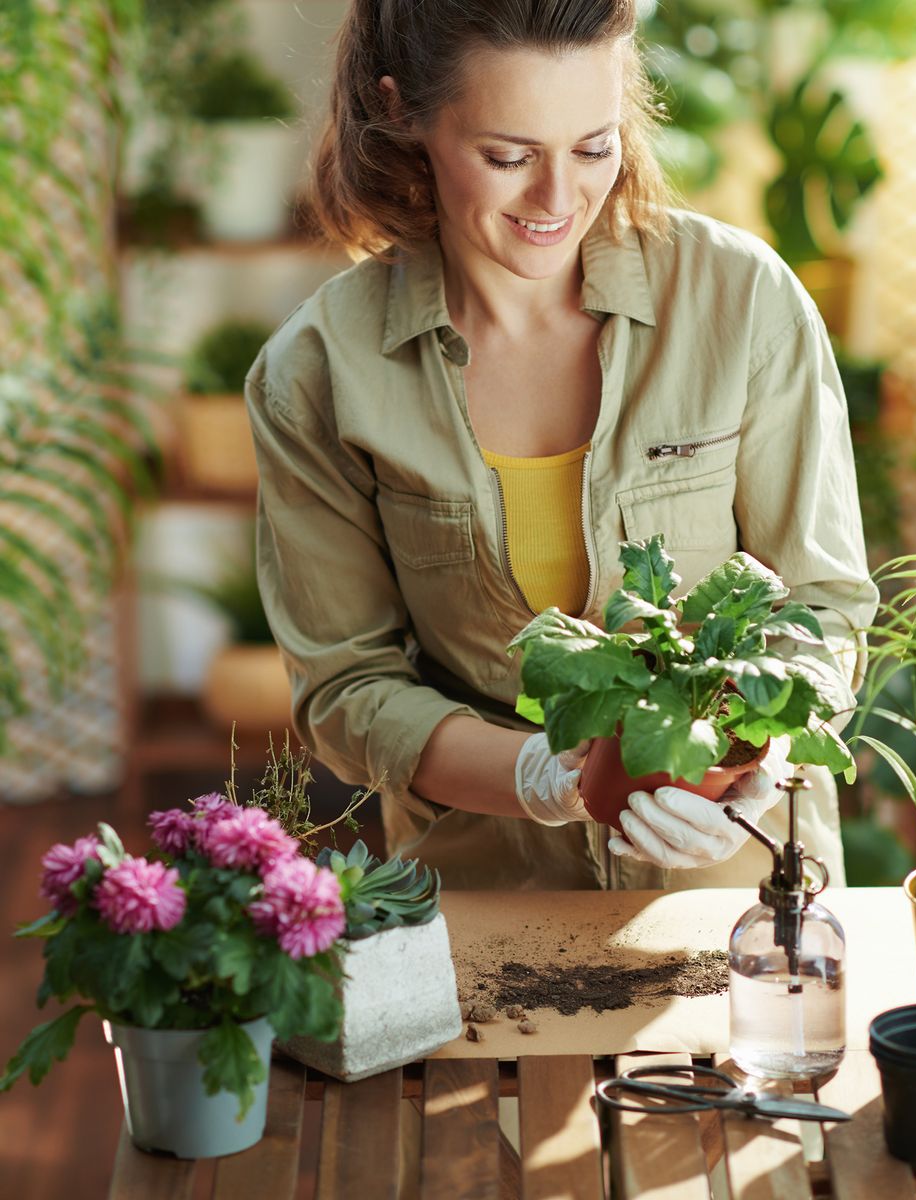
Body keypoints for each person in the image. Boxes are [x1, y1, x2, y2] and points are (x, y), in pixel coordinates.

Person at [246, 0, 878, 892]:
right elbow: (348, 691)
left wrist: (766, 743)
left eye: (594, 145)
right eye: (507, 157)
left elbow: (821, 599)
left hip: (743, 892)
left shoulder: (742, 304)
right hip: (489, 900)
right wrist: (544, 778)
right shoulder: (318, 372)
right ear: (403, 112)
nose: (558, 200)